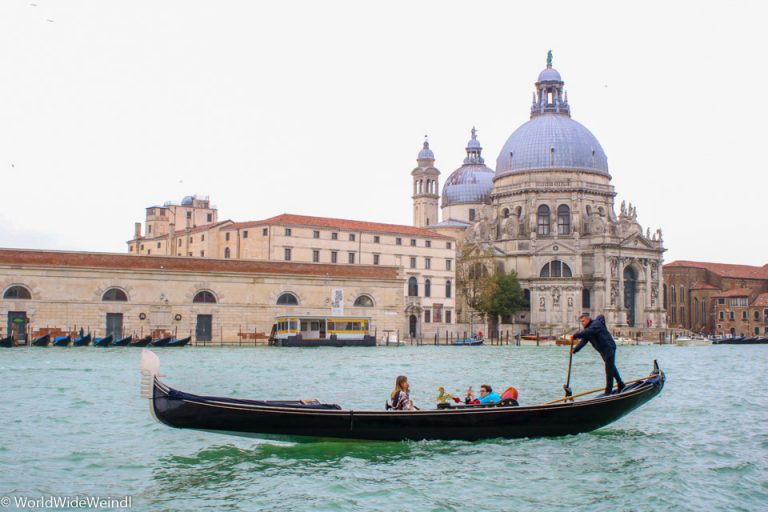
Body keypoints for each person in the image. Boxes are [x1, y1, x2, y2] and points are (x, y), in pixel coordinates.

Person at [571, 313, 625, 395]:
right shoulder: (588, 329)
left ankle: (608, 391)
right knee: (611, 367)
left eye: (583, 321)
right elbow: (583, 341)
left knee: (608, 370)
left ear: (588, 319)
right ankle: (620, 384)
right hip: (603, 351)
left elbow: (588, 332)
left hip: (609, 348)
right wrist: (575, 350)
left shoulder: (596, 324)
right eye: (581, 322)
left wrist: (576, 335)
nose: (582, 323)